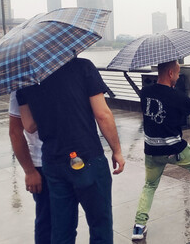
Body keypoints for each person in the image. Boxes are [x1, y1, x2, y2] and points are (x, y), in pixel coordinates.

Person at [16, 57, 125, 243]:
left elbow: (30, 125)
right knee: (100, 224)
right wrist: (117, 150)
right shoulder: (83, 67)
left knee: (62, 229)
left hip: (52, 161)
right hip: (87, 156)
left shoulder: (24, 78)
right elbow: (102, 114)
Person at [132, 60, 190, 240]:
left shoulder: (145, 92)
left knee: (150, 185)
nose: (178, 76)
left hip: (152, 150)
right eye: (177, 73)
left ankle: (139, 226)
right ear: (170, 73)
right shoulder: (178, 97)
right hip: (174, 149)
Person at [8, 91, 51, 244]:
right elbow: (15, 132)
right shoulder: (20, 88)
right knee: (47, 218)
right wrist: (29, 170)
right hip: (40, 163)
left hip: (69, 158)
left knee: (66, 220)